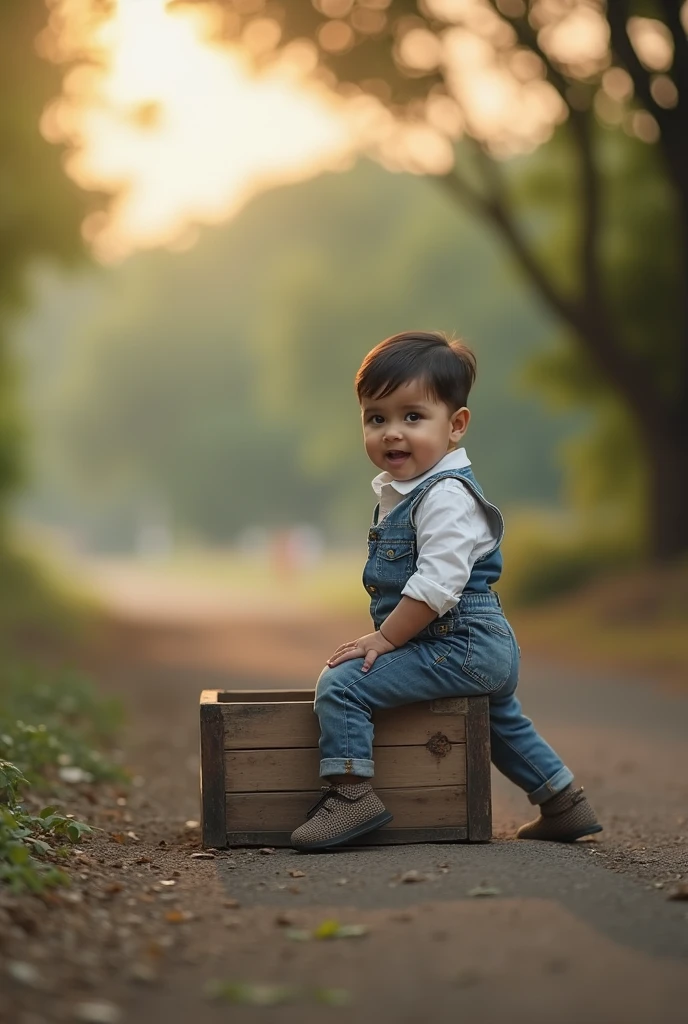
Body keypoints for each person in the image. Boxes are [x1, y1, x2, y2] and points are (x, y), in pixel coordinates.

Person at [290, 331, 602, 851]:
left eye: (413, 417)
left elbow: (437, 585)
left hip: (461, 643)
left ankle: (351, 798)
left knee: (341, 684)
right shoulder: (408, 493)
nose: (392, 433)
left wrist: (385, 640)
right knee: (499, 723)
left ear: (455, 425)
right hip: (475, 646)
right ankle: (564, 803)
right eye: (376, 418)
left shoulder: (445, 497)